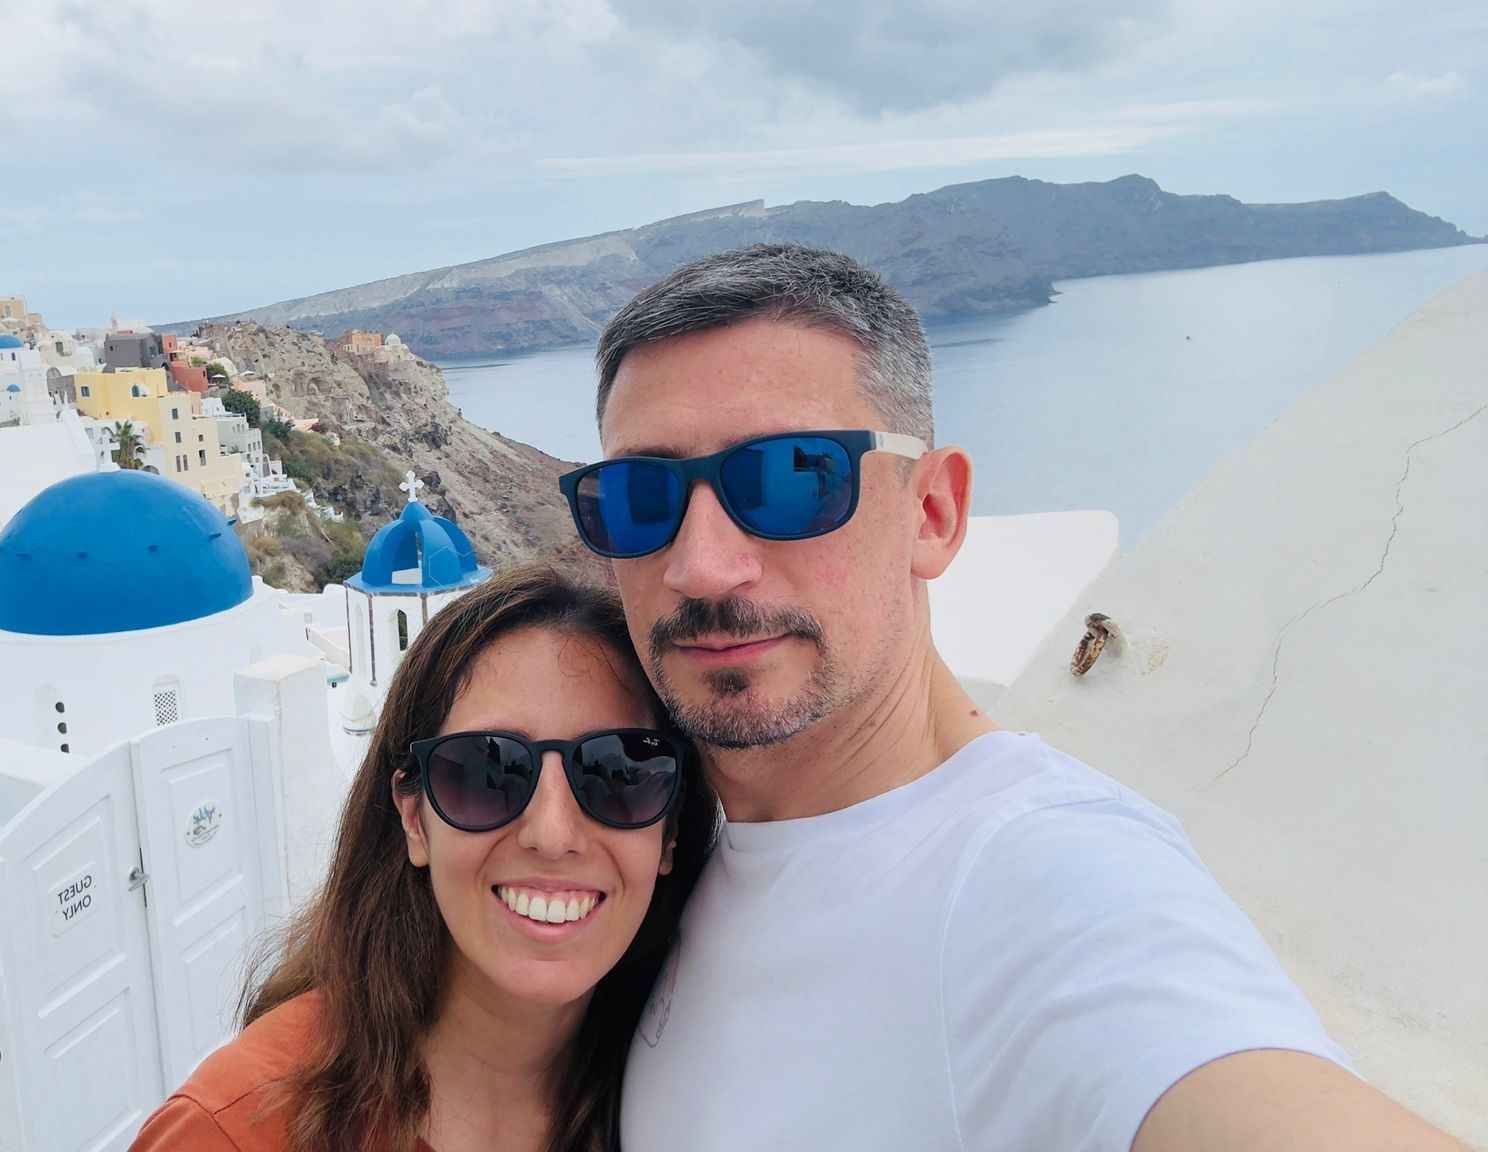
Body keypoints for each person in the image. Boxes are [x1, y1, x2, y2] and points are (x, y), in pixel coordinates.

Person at [561, 243, 1464, 1150]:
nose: (701, 564)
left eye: (793, 479)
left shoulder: (1054, 883)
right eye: (640, 498)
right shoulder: (656, 850)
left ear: (933, 513)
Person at [131, 565, 719, 1151]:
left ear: (668, 830)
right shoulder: (232, 1132)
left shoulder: (691, 1104)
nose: (551, 834)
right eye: (487, 771)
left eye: (618, 773)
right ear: (415, 820)